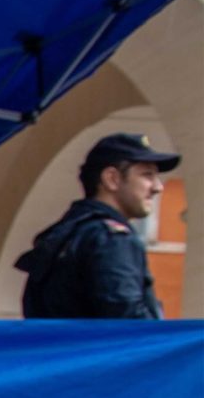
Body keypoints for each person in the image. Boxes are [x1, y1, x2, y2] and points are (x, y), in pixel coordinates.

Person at [16, 132, 180, 319]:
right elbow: (129, 321)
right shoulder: (111, 239)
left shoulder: (66, 234)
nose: (158, 187)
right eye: (147, 175)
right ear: (112, 179)